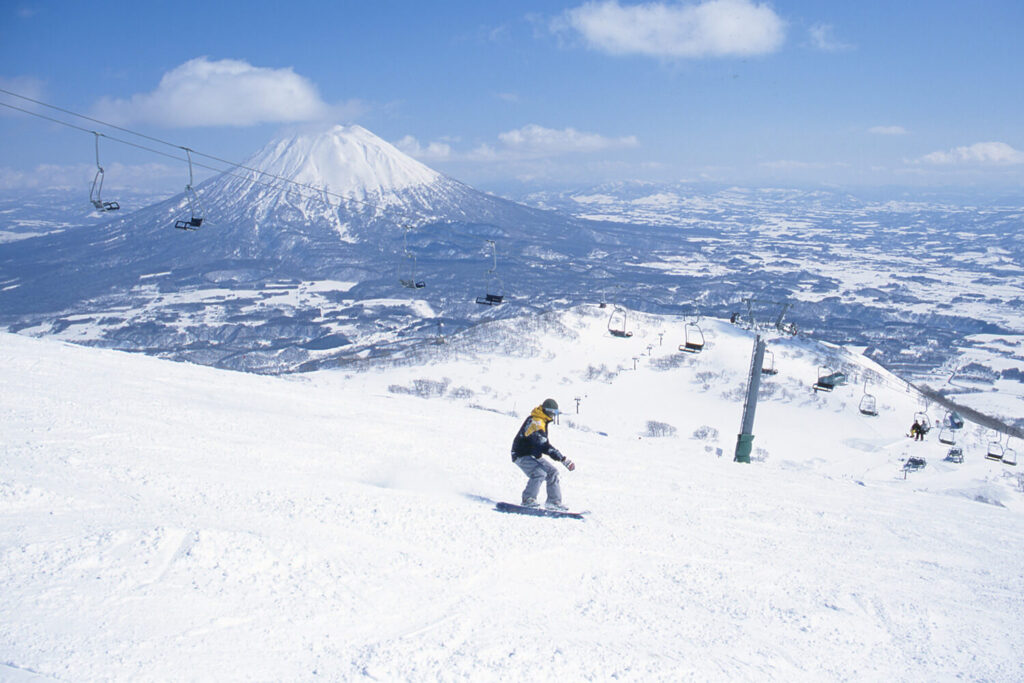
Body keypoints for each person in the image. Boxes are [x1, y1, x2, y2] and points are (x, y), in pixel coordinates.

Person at [510, 398, 575, 510]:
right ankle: (528, 499)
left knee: (553, 472)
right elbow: (543, 445)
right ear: (548, 411)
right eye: (553, 413)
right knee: (539, 473)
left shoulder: (542, 420)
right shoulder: (536, 422)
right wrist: (563, 459)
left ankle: (553, 502)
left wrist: (562, 459)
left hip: (533, 455)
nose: (554, 416)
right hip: (521, 454)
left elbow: (542, 445)